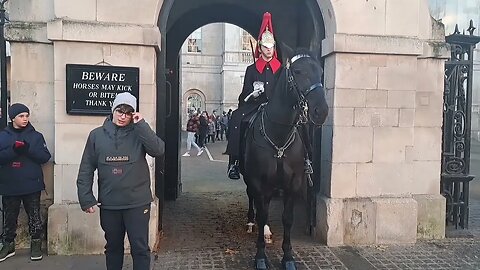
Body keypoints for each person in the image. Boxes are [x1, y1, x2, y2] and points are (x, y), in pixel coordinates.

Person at [76, 92, 165, 270]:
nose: (123, 116)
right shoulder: (96, 135)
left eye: (128, 112)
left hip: (137, 203)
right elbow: (86, 168)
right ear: (113, 110)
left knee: (140, 249)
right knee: (113, 248)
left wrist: (142, 124)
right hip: (110, 203)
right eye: (120, 111)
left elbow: (158, 150)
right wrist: (86, 198)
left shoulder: (140, 133)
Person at [226, 12, 282, 180]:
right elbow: (243, 95)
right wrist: (253, 93)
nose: (269, 50)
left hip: (275, 107)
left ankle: (306, 160)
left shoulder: (280, 69)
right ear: (260, 47)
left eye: (271, 46)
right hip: (255, 106)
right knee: (236, 118)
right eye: (265, 47)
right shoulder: (251, 69)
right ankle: (234, 162)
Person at [0, 103, 51, 262]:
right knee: (9, 217)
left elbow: (45, 157)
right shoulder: (3, 136)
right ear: (12, 118)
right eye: (21, 116)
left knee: (34, 216)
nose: (25, 119)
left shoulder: (36, 136)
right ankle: (8, 244)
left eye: (27, 116)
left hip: (31, 184)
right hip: (10, 184)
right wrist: (13, 150)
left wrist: (28, 149)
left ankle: (36, 244)